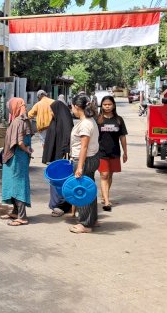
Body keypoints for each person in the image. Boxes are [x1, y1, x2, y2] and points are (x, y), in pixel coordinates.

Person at [69, 94, 100, 234]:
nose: (71, 109)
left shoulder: (86, 124)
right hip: (90, 159)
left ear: (76, 107)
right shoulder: (89, 121)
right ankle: (92, 219)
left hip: (85, 160)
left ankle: (85, 223)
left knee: (82, 192)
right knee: (90, 189)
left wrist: (80, 167)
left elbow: (84, 147)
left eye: (72, 106)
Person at [1, 97, 33, 226]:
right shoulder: (24, 120)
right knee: (14, 183)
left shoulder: (18, 121)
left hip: (16, 158)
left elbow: (19, 142)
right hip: (18, 158)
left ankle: (22, 216)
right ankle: (15, 211)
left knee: (17, 185)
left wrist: (26, 150)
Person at [43, 99, 75, 217]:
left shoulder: (66, 124)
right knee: (54, 181)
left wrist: (64, 153)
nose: (50, 113)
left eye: (51, 111)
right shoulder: (56, 121)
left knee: (60, 182)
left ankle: (62, 205)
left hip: (62, 157)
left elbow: (67, 140)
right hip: (55, 156)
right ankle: (57, 204)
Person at [97, 96, 128, 212]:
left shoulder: (119, 120)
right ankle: (106, 200)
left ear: (113, 105)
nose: (107, 106)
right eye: (105, 104)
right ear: (102, 106)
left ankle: (104, 195)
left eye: (109, 104)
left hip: (115, 152)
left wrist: (125, 152)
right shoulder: (98, 119)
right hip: (101, 152)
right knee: (104, 175)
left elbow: (122, 136)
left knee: (110, 175)